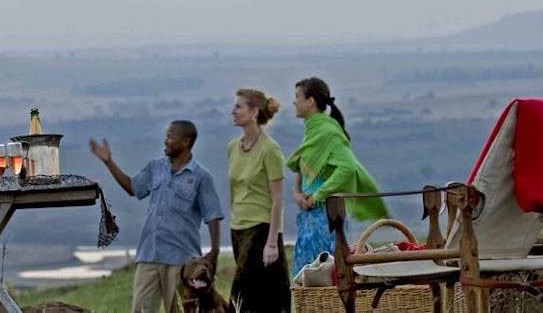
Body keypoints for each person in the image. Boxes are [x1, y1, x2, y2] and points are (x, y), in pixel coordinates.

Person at [90, 120, 224, 313]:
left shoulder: (201, 176)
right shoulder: (155, 168)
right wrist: (108, 161)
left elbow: (213, 215)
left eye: (170, 136)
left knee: (178, 310)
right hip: (149, 256)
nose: (165, 141)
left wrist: (215, 251)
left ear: (186, 142)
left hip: (181, 260)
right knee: (141, 310)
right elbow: (132, 188)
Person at [286, 77, 388, 277]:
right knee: (304, 278)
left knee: (324, 277)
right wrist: (297, 192)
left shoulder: (329, 131)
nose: (294, 102)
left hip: (326, 220)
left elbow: (347, 168)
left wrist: (318, 195)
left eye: (297, 96)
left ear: (310, 101)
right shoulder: (312, 130)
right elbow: (303, 164)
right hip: (308, 220)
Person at [226, 88, 290, 312]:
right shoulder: (233, 147)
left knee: (241, 295)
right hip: (238, 228)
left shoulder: (270, 150)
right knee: (255, 294)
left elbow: (277, 198)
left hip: (261, 229)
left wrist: (272, 242)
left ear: (253, 112)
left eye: (238, 107)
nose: (233, 111)